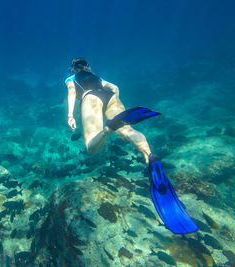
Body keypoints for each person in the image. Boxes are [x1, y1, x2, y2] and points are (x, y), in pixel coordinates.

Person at [65, 58, 198, 234]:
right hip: (110, 98)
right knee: (128, 130)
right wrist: (114, 103)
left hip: (91, 99)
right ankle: (149, 156)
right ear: (88, 67)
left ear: (74, 69)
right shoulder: (98, 77)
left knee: (91, 148)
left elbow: (72, 93)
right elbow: (115, 89)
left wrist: (70, 115)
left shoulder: (71, 79)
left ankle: (109, 128)